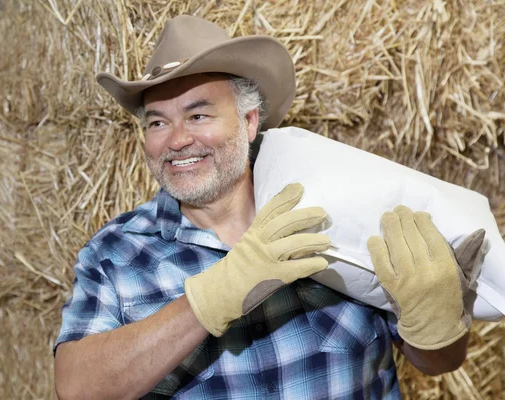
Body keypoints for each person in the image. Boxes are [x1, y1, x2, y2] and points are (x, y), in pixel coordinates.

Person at [54, 15, 483, 400]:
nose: (177, 139)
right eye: (158, 122)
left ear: (249, 121)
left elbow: (439, 362)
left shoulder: (338, 208)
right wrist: (213, 296)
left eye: (198, 115)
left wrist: (436, 322)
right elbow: (77, 388)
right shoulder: (116, 253)